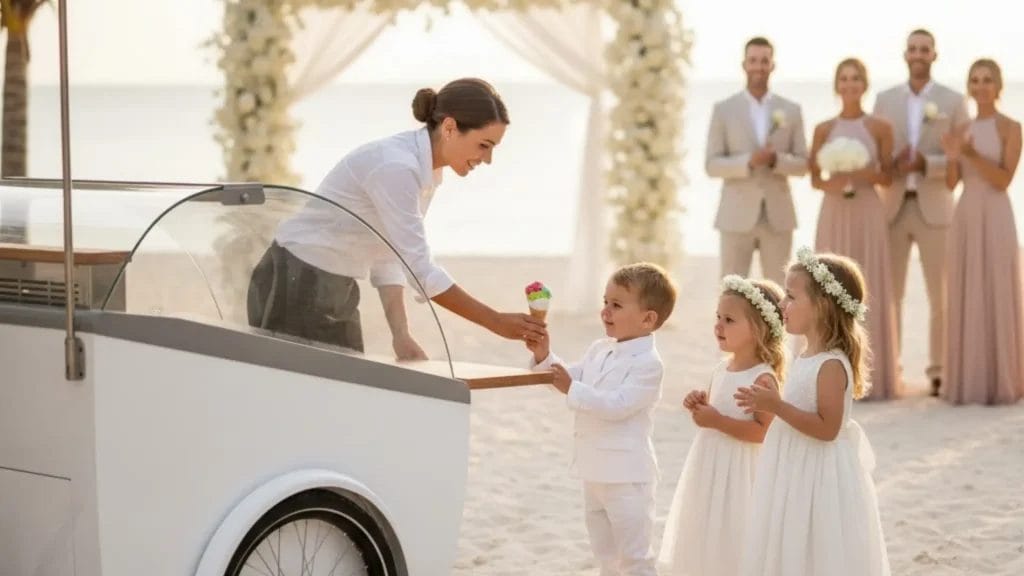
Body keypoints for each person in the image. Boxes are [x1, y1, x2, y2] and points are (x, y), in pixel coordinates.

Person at [247, 78, 545, 358]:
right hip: (295, 279)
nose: (487, 160)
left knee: (341, 397)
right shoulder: (397, 167)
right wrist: (495, 321)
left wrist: (400, 334)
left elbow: (391, 254)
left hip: (335, 284)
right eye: (484, 145)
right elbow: (422, 271)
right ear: (450, 127)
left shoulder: (426, 170)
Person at [735, 248, 889, 576]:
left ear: (821, 306)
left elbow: (827, 429)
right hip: (795, 465)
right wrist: (770, 402)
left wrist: (776, 406)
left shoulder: (831, 364)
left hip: (819, 473)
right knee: (791, 539)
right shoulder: (806, 355)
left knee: (816, 545)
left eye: (790, 296)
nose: (781, 304)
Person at [527, 263, 677, 576]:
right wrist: (545, 356)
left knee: (634, 557)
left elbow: (617, 405)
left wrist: (572, 388)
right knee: (606, 556)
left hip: (626, 477)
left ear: (648, 319)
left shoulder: (649, 364)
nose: (605, 311)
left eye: (617, 305)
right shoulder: (599, 349)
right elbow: (570, 377)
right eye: (605, 302)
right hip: (593, 471)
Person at [658, 274, 785, 576]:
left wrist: (717, 421)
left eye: (729, 320)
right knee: (705, 524)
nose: (718, 326)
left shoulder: (763, 378)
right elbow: (717, 408)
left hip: (740, 470)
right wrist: (700, 403)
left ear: (759, 330)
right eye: (717, 317)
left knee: (733, 529)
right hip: (711, 464)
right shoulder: (721, 368)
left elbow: (763, 432)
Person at [873, 29, 969, 396]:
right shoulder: (883, 100)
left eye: (924, 49)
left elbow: (961, 158)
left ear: (934, 55)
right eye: (912, 48)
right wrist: (892, 161)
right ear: (904, 54)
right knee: (889, 293)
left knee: (939, 295)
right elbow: (875, 153)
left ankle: (939, 371)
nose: (918, 54)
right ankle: (890, 368)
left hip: (936, 207)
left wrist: (928, 162)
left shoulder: (954, 101)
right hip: (892, 206)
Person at [810, 58, 900, 399]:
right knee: (827, 288)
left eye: (856, 79)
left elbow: (887, 176)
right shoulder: (823, 128)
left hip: (867, 210)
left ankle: (871, 377)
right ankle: (826, 373)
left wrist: (859, 174)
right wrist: (838, 179)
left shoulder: (880, 127)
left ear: (865, 84)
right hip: (834, 209)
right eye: (844, 79)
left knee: (869, 285)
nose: (850, 85)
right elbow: (816, 179)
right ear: (837, 85)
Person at [941, 58, 1024, 405]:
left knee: (998, 288)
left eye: (988, 79)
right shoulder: (961, 129)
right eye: (975, 80)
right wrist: (950, 157)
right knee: (967, 289)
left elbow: (1004, 179)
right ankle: (968, 381)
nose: (981, 86)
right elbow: (950, 183)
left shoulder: (1011, 127)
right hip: (966, 213)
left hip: (996, 213)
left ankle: (1004, 379)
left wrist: (970, 153)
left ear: (999, 85)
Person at [706, 36, 808, 286]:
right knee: (731, 290)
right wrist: (748, 161)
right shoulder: (724, 109)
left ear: (773, 65)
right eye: (753, 60)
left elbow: (804, 164)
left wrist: (776, 160)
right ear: (744, 64)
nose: (759, 66)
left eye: (765, 61)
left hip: (778, 215)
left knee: (781, 294)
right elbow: (711, 164)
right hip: (735, 215)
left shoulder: (791, 110)